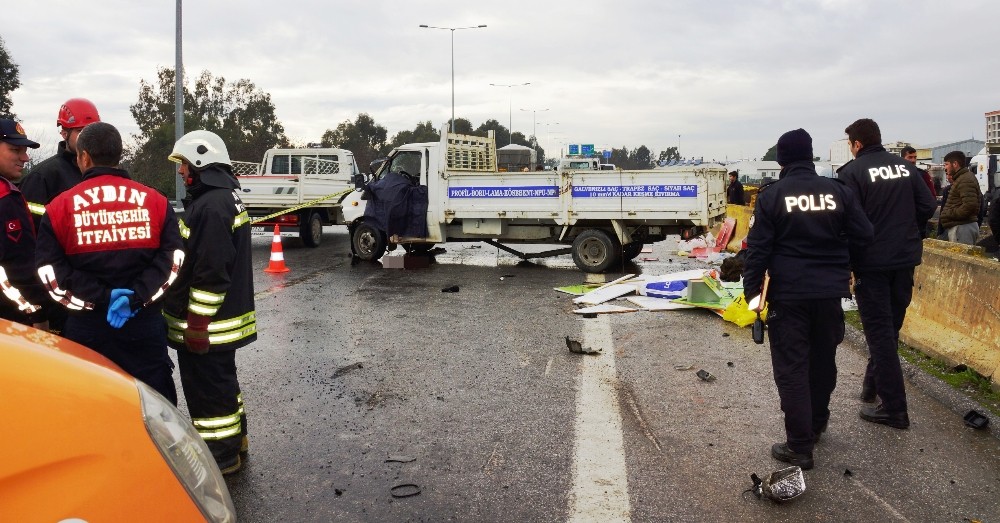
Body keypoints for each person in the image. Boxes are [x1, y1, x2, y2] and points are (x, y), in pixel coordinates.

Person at [743, 128, 874, 469]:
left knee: (792, 369)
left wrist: (753, 295)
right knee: (822, 362)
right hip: (830, 294)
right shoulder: (838, 191)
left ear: (782, 159)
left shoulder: (773, 196)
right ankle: (816, 424)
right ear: (811, 155)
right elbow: (865, 234)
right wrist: (844, 262)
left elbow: (757, 250)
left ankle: (799, 446)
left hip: (790, 296)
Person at [34, 122, 184, 403]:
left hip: (87, 326)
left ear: (85, 157)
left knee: (91, 405)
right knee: (154, 407)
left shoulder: (59, 208)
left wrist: (102, 297)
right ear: (119, 155)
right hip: (144, 324)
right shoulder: (156, 202)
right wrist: (136, 297)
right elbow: (173, 262)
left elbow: (50, 275)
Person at [163, 130, 256, 475]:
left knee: (207, 395)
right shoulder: (223, 199)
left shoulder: (211, 206)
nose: (180, 172)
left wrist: (197, 325)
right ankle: (237, 441)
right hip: (222, 322)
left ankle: (220, 456)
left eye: (184, 164)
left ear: (201, 163)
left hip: (209, 326)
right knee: (222, 385)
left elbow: (210, 273)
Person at [837, 118, 936, 430]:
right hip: (905, 259)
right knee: (889, 328)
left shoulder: (851, 173)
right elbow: (928, 205)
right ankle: (872, 387)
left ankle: (894, 409)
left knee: (879, 334)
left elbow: (846, 221)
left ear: (857, 144)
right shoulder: (907, 169)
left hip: (872, 262)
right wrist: (906, 230)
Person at [20, 98, 101, 333]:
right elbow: (29, 249)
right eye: (81, 132)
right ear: (64, 132)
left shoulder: (104, 175)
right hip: (60, 300)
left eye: (93, 132)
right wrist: (41, 309)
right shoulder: (44, 178)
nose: (89, 139)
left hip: (98, 296)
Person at [0, 119, 49, 328]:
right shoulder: (5, 198)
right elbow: (18, 269)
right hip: (13, 323)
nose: (25, 157)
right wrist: (36, 312)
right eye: (15, 150)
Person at [938, 151, 982, 245]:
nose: (945, 168)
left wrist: (948, 213)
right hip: (961, 227)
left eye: (946, 164)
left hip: (962, 228)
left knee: (962, 257)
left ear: (955, 164)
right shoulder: (962, 178)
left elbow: (970, 205)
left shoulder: (965, 179)